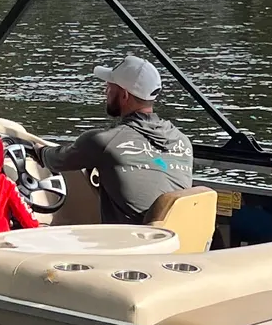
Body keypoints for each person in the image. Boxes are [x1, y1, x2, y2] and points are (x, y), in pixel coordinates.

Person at [46, 55, 193, 224]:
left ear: (124, 95)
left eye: (109, 87)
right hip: (177, 244)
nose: (105, 91)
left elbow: (53, 160)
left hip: (131, 246)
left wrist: (34, 149)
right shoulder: (183, 142)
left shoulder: (103, 142)